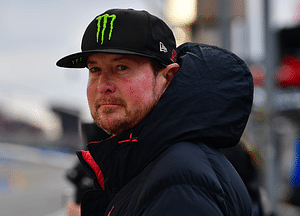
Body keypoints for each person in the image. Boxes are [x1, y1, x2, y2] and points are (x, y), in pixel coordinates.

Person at [57, 8, 253, 216]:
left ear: (167, 77)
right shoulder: (150, 165)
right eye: (95, 69)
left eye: (121, 67)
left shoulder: (179, 184)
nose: (102, 86)